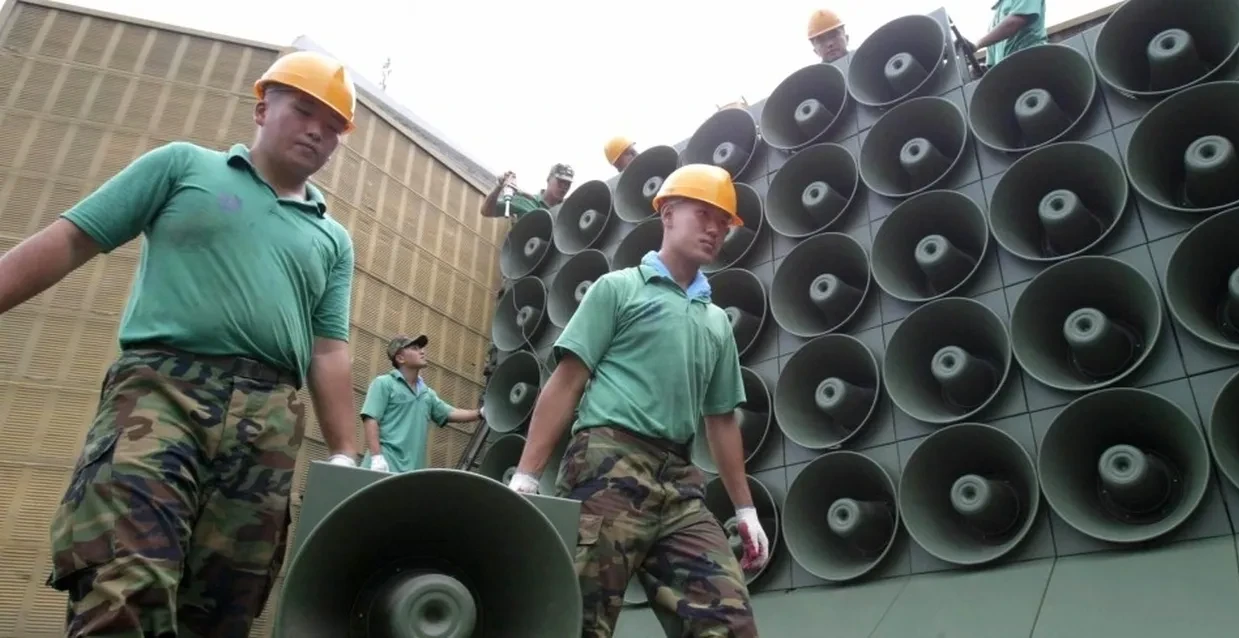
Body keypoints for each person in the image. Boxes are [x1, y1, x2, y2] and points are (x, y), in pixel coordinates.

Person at [0, 50, 364, 637]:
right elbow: (70, 240)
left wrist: (348, 452)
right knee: (127, 575)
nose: (318, 130)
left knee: (225, 604)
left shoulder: (332, 238)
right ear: (263, 106)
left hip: (270, 422)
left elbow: (329, 349)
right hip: (161, 393)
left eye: (333, 125)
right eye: (303, 110)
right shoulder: (183, 167)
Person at [507, 163, 770, 637]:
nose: (715, 228)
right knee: (578, 620)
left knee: (729, 623)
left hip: (680, 482)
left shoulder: (715, 323)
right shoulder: (619, 289)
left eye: (723, 222)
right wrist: (526, 474)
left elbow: (722, 421)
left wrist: (745, 509)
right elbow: (567, 382)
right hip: (607, 464)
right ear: (668, 213)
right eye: (703, 213)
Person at [361, 334, 485, 473]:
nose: (422, 351)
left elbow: (451, 413)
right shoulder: (384, 383)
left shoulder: (427, 394)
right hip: (384, 466)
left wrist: (481, 413)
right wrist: (377, 458)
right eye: (414, 348)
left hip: (411, 473)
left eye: (421, 348)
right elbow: (371, 419)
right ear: (400, 358)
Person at [965, 0, 1048, 67]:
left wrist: (977, 44)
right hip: (1010, 73)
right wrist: (980, 70)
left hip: (1032, 60)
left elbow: (1015, 22)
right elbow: (993, 67)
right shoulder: (994, 21)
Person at [480, 163, 575, 220]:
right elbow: (486, 211)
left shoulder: (565, 213)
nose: (564, 187)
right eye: (561, 182)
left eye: (568, 184)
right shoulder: (525, 201)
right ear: (549, 179)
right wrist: (499, 187)